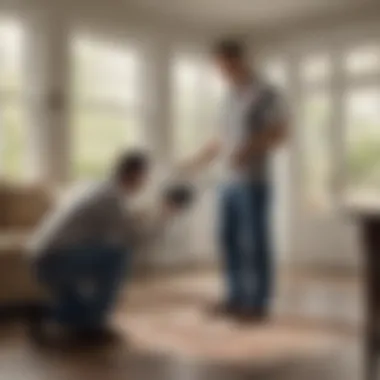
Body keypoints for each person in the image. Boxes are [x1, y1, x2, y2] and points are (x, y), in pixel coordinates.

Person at [28, 151, 185, 344]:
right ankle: (94, 326)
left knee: (100, 260)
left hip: (41, 257)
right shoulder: (111, 199)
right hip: (55, 260)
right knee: (117, 255)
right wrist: (165, 215)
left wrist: (151, 213)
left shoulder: (96, 187)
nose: (145, 182)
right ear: (133, 174)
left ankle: (55, 317)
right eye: (144, 177)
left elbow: (120, 221)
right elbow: (134, 238)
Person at [183, 39, 288, 321]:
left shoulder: (266, 93)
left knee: (255, 242)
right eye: (219, 67)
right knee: (227, 239)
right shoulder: (228, 97)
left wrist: (248, 148)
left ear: (240, 60)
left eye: (226, 65)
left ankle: (257, 304)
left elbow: (280, 133)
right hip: (226, 182)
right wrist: (197, 160)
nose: (222, 72)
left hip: (253, 181)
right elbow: (221, 139)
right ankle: (235, 297)